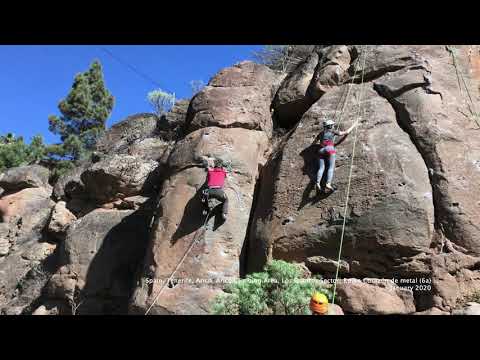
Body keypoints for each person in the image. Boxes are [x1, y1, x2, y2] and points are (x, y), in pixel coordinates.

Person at [314, 118, 359, 192]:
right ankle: (328, 184)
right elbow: (346, 132)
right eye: (332, 125)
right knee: (330, 167)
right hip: (330, 149)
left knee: (321, 168)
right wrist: (354, 125)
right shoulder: (333, 131)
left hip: (321, 150)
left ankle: (318, 182)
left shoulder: (320, 134)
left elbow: (314, 143)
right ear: (331, 126)